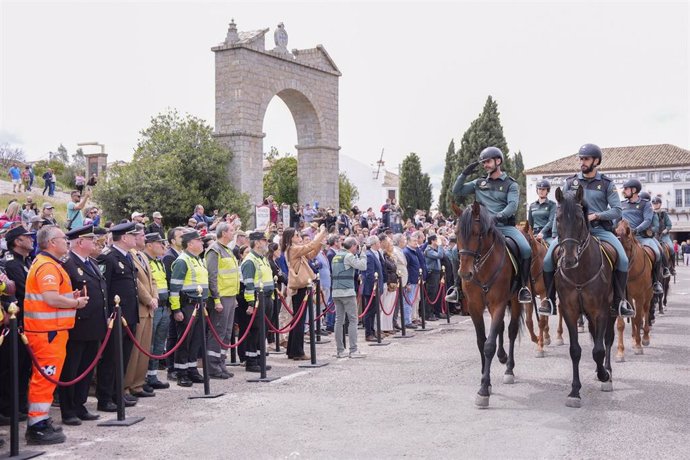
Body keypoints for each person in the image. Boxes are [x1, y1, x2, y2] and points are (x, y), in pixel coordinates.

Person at [539, 144, 633, 317]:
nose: (582, 162)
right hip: (572, 233)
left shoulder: (606, 183)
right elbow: (560, 211)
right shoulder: (570, 182)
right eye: (581, 159)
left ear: (596, 161)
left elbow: (617, 210)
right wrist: (554, 234)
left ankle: (620, 302)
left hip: (599, 231)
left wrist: (597, 216)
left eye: (586, 159)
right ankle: (550, 300)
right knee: (546, 260)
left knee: (624, 260)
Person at [24, 225, 89, 444]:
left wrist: (69, 296)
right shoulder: (47, 265)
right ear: (52, 242)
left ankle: (40, 419)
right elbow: (50, 299)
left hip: (51, 331)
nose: (66, 242)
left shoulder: (50, 264)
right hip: (46, 332)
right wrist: (75, 302)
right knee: (44, 378)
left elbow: (51, 296)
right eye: (63, 238)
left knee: (47, 379)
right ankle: (37, 425)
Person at [452, 146, 532, 305]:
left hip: (504, 226)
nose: (485, 165)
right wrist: (464, 174)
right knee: (455, 251)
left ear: (498, 161)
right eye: (483, 163)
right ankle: (456, 288)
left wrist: (497, 217)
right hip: (483, 228)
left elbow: (512, 206)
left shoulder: (511, 184)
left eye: (488, 161)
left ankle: (523, 287)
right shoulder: (479, 182)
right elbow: (457, 191)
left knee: (526, 249)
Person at [59, 225, 108, 426]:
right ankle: (68, 409)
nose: (95, 242)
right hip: (77, 325)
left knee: (86, 368)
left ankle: (80, 404)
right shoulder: (68, 263)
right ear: (80, 242)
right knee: (72, 369)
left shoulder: (92, 262)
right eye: (91, 239)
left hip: (94, 324)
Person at [96, 222, 141, 412]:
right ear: (124, 237)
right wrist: (107, 316)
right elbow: (104, 289)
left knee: (123, 357)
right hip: (116, 316)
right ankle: (105, 398)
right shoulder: (108, 257)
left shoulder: (127, 257)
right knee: (110, 358)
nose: (136, 238)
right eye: (133, 235)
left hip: (129, 314)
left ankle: (117, 393)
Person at [124, 225, 159, 398]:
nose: (144, 239)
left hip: (149, 307)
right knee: (134, 351)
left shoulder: (142, 255)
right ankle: (127, 385)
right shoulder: (129, 255)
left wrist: (156, 296)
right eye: (142, 235)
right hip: (140, 307)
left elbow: (152, 279)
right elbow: (135, 282)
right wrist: (148, 299)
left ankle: (138, 384)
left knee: (144, 349)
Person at [282, 225, 327, 360]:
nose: (299, 237)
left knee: (298, 319)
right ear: (290, 238)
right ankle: (298, 351)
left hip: (302, 286)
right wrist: (321, 233)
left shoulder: (294, 249)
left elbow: (311, 253)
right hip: (300, 286)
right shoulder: (293, 249)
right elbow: (309, 246)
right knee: (299, 320)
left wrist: (319, 243)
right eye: (296, 235)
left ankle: (292, 350)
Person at [169, 231, 208, 387]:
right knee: (184, 340)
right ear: (190, 244)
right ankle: (181, 372)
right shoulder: (182, 261)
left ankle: (192, 370)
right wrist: (176, 309)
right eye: (199, 241)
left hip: (199, 304)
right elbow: (174, 288)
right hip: (187, 305)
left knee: (196, 340)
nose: (202, 243)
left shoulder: (199, 260)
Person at [205, 222, 240, 378]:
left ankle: (221, 362)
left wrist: (235, 297)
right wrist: (216, 299)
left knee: (226, 333)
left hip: (230, 296)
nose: (233, 233)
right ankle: (212, 367)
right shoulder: (214, 250)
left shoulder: (228, 250)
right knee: (218, 332)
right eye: (231, 231)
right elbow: (212, 277)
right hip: (221, 297)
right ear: (224, 233)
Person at [0, 227, 27, 426]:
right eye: (27, 237)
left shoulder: (21, 263)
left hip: (16, 321)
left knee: (19, 366)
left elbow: (10, 291)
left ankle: (17, 404)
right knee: (8, 368)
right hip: (9, 324)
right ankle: (8, 406)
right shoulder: (11, 264)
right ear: (17, 241)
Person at [619, 179, 664, 296]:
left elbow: (648, 220)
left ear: (633, 190)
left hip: (642, 237)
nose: (623, 191)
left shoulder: (645, 204)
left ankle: (656, 282)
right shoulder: (621, 204)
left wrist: (635, 230)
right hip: (624, 238)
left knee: (658, 252)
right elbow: (616, 220)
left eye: (626, 189)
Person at [239, 231, 274, 372]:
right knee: (255, 330)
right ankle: (251, 361)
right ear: (257, 242)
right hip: (257, 299)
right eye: (264, 240)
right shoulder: (250, 260)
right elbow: (248, 284)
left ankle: (260, 358)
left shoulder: (262, 258)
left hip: (267, 298)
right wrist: (251, 303)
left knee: (263, 330)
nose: (266, 243)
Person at [331, 236, 367, 358]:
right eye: (356, 246)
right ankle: (353, 350)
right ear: (352, 246)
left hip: (336, 291)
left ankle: (340, 350)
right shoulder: (348, 256)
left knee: (339, 320)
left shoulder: (336, 256)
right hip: (347, 292)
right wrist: (363, 254)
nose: (357, 248)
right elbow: (362, 266)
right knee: (353, 320)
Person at [143, 233, 171, 390]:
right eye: (160, 244)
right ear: (150, 245)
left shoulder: (159, 262)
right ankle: (144, 377)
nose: (163, 246)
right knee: (149, 344)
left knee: (159, 344)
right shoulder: (144, 260)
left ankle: (152, 375)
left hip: (164, 306)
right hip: (152, 307)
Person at [163, 227, 185, 380]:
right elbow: (172, 282)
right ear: (172, 241)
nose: (183, 238)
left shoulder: (182, 255)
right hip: (175, 302)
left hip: (183, 301)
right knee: (173, 336)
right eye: (180, 236)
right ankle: (172, 368)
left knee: (180, 336)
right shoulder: (169, 257)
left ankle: (180, 366)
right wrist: (174, 306)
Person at [362, 235, 384, 341]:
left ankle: (373, 330)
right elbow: (370, 274)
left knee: (374, 311)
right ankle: (368, 333)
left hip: (377, 286)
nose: (380, 243)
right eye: (379, 242)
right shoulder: (369, 255)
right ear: (375, 244)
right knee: (369, 311)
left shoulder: (377, 253)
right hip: (371, 288)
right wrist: (373, 289)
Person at [651, 196, 676, 276]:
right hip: (654, 235)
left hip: (664, 235)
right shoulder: (650, 213)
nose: (655, 205)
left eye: (657, 203)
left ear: (660, 204)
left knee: (671, 248)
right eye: (654, 204)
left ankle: (672, 267)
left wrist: (666, 230)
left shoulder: (664, 214)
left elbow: (669, 225)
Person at [528, 179, 557, 245]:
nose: (541, 191)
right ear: (537, 190)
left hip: (547, 235)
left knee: (554, 248)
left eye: (543, 189)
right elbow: (530, 223)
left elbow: (551, 221)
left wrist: (542, 232)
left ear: (547, 191)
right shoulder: (532, 205)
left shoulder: (552, 205)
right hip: (534, 234)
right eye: (539, 189)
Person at [424, 234, 446, 319]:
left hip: (436, 273)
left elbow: (442, 254)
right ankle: (427, 314)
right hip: (432, 273)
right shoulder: (428, 250)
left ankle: (432, 312)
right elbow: (439, 256)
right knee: (431, 294)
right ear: (432, 241)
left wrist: (440, 247)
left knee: (435, 293)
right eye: (437, 240)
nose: (438, 242)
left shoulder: (435, 249)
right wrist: (440, 246)